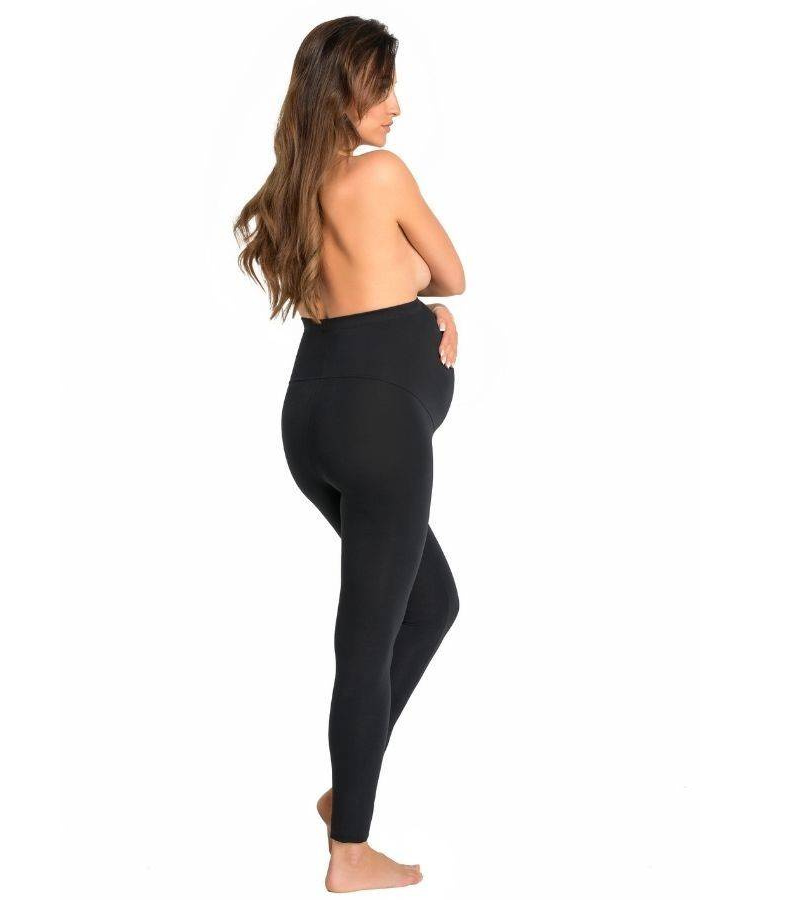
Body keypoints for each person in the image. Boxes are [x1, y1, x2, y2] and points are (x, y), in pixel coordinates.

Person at [234, 16, 465, 893]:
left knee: (432, 602)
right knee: (366, 643)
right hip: (378, 431)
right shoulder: (380, 175)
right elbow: (451, 274)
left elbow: (361, 286)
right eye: (383, 89)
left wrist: (407, 301)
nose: (395, 108)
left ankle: (348, 790)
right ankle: (351, 853)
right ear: (343, 93)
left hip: (312, 417)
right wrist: (424, 300)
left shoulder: (291, 189)